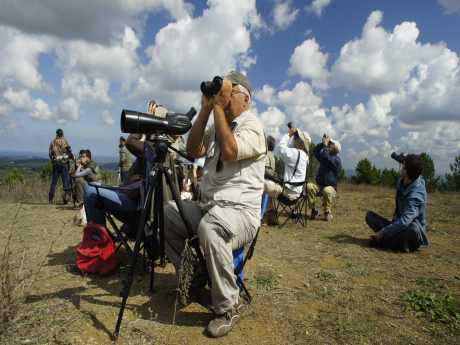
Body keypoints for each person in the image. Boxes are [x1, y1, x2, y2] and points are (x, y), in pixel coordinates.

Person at [164, 71, 266, 338]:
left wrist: (218, 109)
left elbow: (230, 151)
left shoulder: (251, 125)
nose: (224, 98)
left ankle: (228, 307)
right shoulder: (217, 123)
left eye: (228, 93)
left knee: (210, 229)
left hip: (240, 213)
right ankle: (196, 277)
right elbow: (193, 150)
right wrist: (206, 109)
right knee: (169, 213)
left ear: (245, 98)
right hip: (210, 207)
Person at [365, 154, 429, 252]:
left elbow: (405, 221)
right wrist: (398, 157)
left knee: (412, 229)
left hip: (410, 230)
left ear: (406, 171)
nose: (401, 167)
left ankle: (384, 242)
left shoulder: (416, 194)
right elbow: (412, 165)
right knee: (370, 216)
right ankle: (393, 242)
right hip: (397, 224)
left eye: (403, 167)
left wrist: (383, 232)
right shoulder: (406, 179)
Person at [264, 126, 310, 200]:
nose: (294, 139)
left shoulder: (295, 153)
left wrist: (289, 134)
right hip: (297, 194)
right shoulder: (305, 156)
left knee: (259, 182)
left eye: (296, 138)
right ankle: (270, 208)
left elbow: (280, 148)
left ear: (301, 143)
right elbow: (289, 147)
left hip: (287, 194)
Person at [307, 134, 342, 221]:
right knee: (309, 186)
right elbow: (315, 151)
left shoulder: (337, 160)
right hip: (320, 186)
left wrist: (325, 145)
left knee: (327, 190)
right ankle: (313, 210)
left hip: (330, 188)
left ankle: (327, 212)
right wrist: (322, 144)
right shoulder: (324, 156)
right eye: (329, 143)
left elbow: (327, 159)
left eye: (331, 144)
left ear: (336, 149)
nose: (329, 144)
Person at [48, 128, 72, 204]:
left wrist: (53, 160)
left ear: (56, 134)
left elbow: (50, 153)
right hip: (64, 163)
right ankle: (65, 200)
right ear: (62, 133)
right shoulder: (65, 141)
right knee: (66, 183)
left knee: (53, 183)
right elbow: (69, 152)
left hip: (56, 164)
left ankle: (50, 199)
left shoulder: (53, 142)